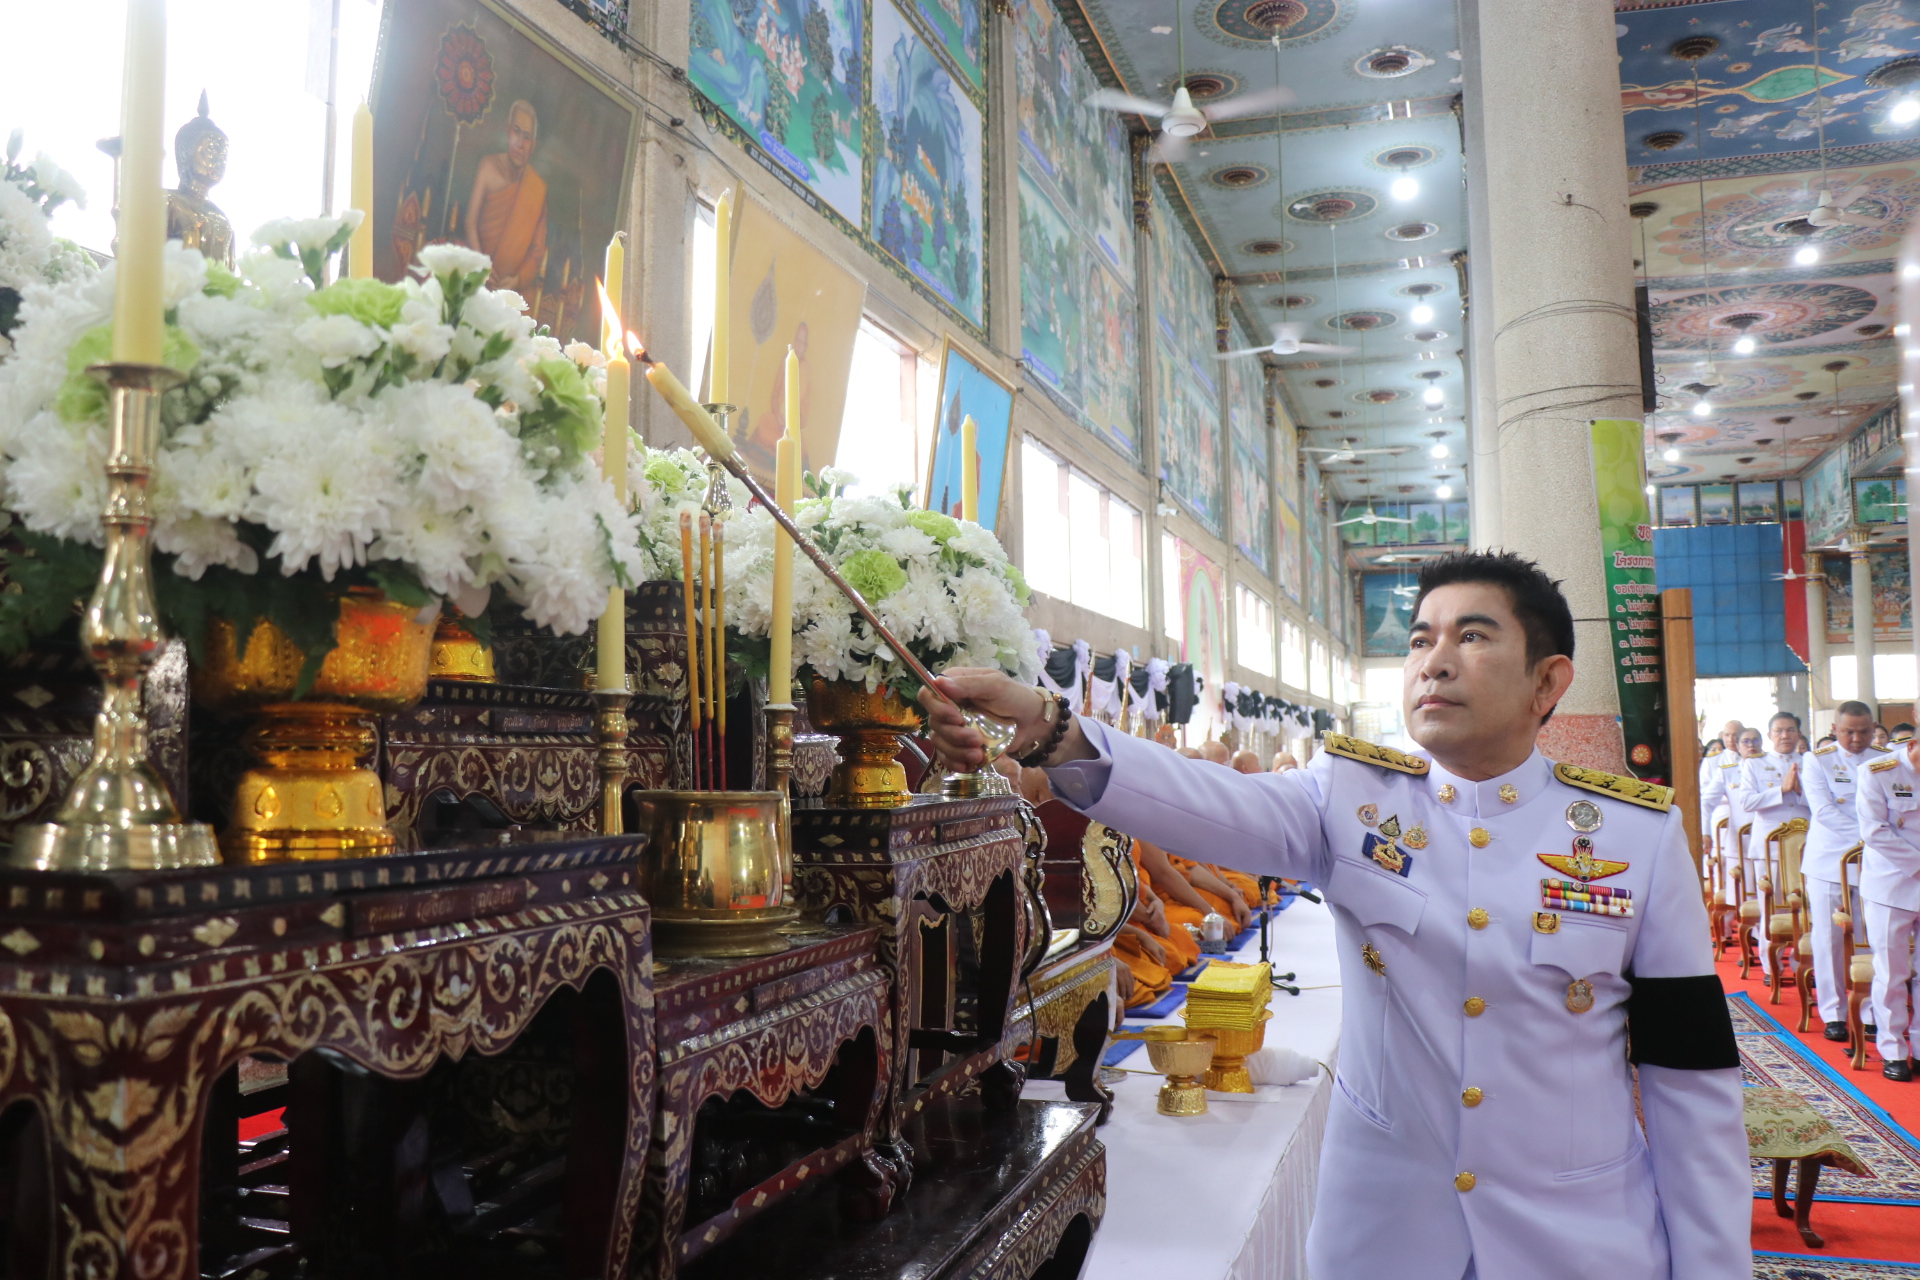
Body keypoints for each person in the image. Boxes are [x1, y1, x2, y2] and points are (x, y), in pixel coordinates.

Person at [922, 550, 1747, 1280]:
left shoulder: (1635, 836)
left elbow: (1690, 1078)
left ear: (1549, 682)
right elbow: (1210, 800)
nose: (1436, 661)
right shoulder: (1351, 797)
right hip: (1385, 1240)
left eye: (1473, 636)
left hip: (1576, 1242)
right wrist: (1052, 727)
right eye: (1421, 639)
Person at [1802, 701, 1888, 1041]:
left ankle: (1870, 1011)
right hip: (1829, 863)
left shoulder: (1884, 760)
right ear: (1835, 730)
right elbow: (1823, 811)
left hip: (1876, 864)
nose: (1856, 738)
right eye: (1848, 731)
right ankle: (1833, 1012)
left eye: (1864, 731)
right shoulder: (1817, 760)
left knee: (1871, 938)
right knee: (1829, 939)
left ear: (1873, 728)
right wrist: (1873, 838)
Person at [1855, 736, 1920, 1080]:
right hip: (1891, 885)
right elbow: (1875, 831)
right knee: (1893, 973)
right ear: (1913, 743)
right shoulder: (1878, 771)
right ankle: (1893, 1049)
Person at [1738, 712, 1811, 980]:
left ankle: (1802, 962)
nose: (1785, 736)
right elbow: (1747, 801)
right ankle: (1773, 967)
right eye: (1779, 731)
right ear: (1769, 736)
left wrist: (1801, 790)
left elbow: (1826, 805)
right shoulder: (1756, 764)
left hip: (1807, 846)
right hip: (1770, 848)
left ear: (1799, 734)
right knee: (1773, 907)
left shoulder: (1810, 763)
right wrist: (1781, 789)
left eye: (1791, 730)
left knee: (1806, 907)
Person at [463, 98, 548, 292]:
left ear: (533, 146)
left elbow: (536, 254)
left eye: (527, 137)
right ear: (507, 131)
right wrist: (482, 265)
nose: (520, 143)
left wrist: (517, 281)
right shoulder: (488, 167)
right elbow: (470, 222)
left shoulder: (537, 189)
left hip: (509, 290)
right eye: (516, 132)